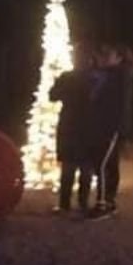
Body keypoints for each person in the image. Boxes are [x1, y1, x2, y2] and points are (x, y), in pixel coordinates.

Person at [85, 42, 133, 220]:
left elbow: (111, 103)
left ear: (119, 58)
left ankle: (103, 203)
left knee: (103, 164)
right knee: (110, 163)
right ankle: (109, 201)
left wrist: (117, 127)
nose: (103, 58)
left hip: (111, 126)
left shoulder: (117, 76)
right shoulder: (109, 76)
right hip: (106, 125)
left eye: (108, 55)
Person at [48, 41, 97, 215]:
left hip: (70, 124)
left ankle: (64, 203)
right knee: (86, 166)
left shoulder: (67, 77)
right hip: (89, 125)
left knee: (69, 166)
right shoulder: (95, 78)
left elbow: (52, 96)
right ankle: (83, 202)